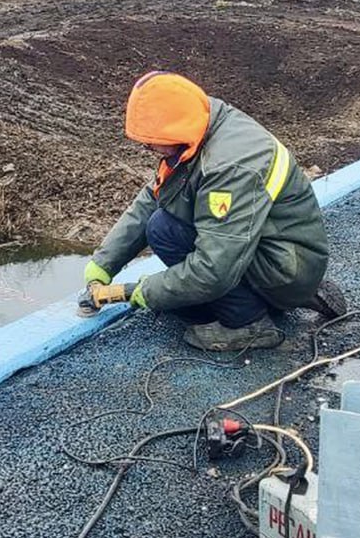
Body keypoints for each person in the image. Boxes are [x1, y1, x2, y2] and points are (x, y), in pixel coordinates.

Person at [83, 71, 346, 352]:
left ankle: (249, 325)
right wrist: (103, 264)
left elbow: (214, 269)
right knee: (168, 220)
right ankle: (298, 292)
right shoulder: (204, 120)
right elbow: (156, 195)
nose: (147, 147)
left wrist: (143, 291)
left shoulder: (229, 166)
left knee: (165, 231)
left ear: (175, 128)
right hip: (286, 253)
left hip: (286, 268)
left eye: (150, 141)